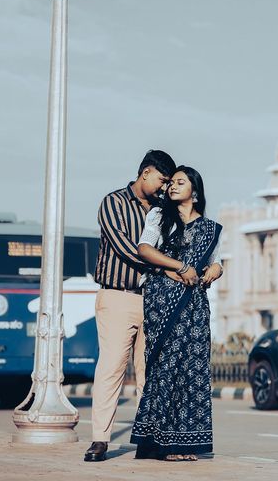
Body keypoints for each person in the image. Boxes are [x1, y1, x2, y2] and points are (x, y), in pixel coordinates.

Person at [84, 150, 194, 462]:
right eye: (162, 180)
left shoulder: (162, 210)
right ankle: (100, 440)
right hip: (118, 296)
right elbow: (127, 250)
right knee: (112, 367)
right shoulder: (113, 202)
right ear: (145, 173)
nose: (164, 187)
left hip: (155, 300)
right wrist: (168, 267)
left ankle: (151, 439)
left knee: (152, 371)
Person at [130, 166, 223, 461]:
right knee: (166, 366)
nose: (172, 187)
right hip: (163, 299)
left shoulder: (209, 228)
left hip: (194, 303)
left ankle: (184, 444)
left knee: (192, 369)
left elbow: (217, 262)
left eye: (180, 183)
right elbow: (144, 249)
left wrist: (213, 272)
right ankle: (160, 444)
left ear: (194, 192)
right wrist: (178, 267)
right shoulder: (160, 216)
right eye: (171, 182)